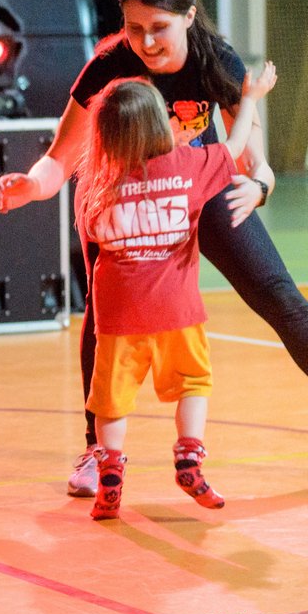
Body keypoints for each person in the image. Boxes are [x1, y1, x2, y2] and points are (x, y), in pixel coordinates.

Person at [0, 0, 308, 498]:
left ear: (188, 16)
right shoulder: (110, 64)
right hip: (123, 198)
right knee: (104, 318)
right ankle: (97, 450)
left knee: (280, 295)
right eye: (134, 28)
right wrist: (33, 186)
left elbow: (254, 160)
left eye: (159, 27)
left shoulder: (216, 61)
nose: (146, 42)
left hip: (198, 183)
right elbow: (60, 158)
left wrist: (258, 186)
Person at [77, 71, 273, 519]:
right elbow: (235, 145)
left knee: (110, 401)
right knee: (193, 383)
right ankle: (188, 459)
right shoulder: (189, 166)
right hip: (178, 313)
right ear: (159, 124)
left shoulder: (97, 185)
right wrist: (250, 97)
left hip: (118, 317)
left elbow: (93, 233)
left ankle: (110, 474)